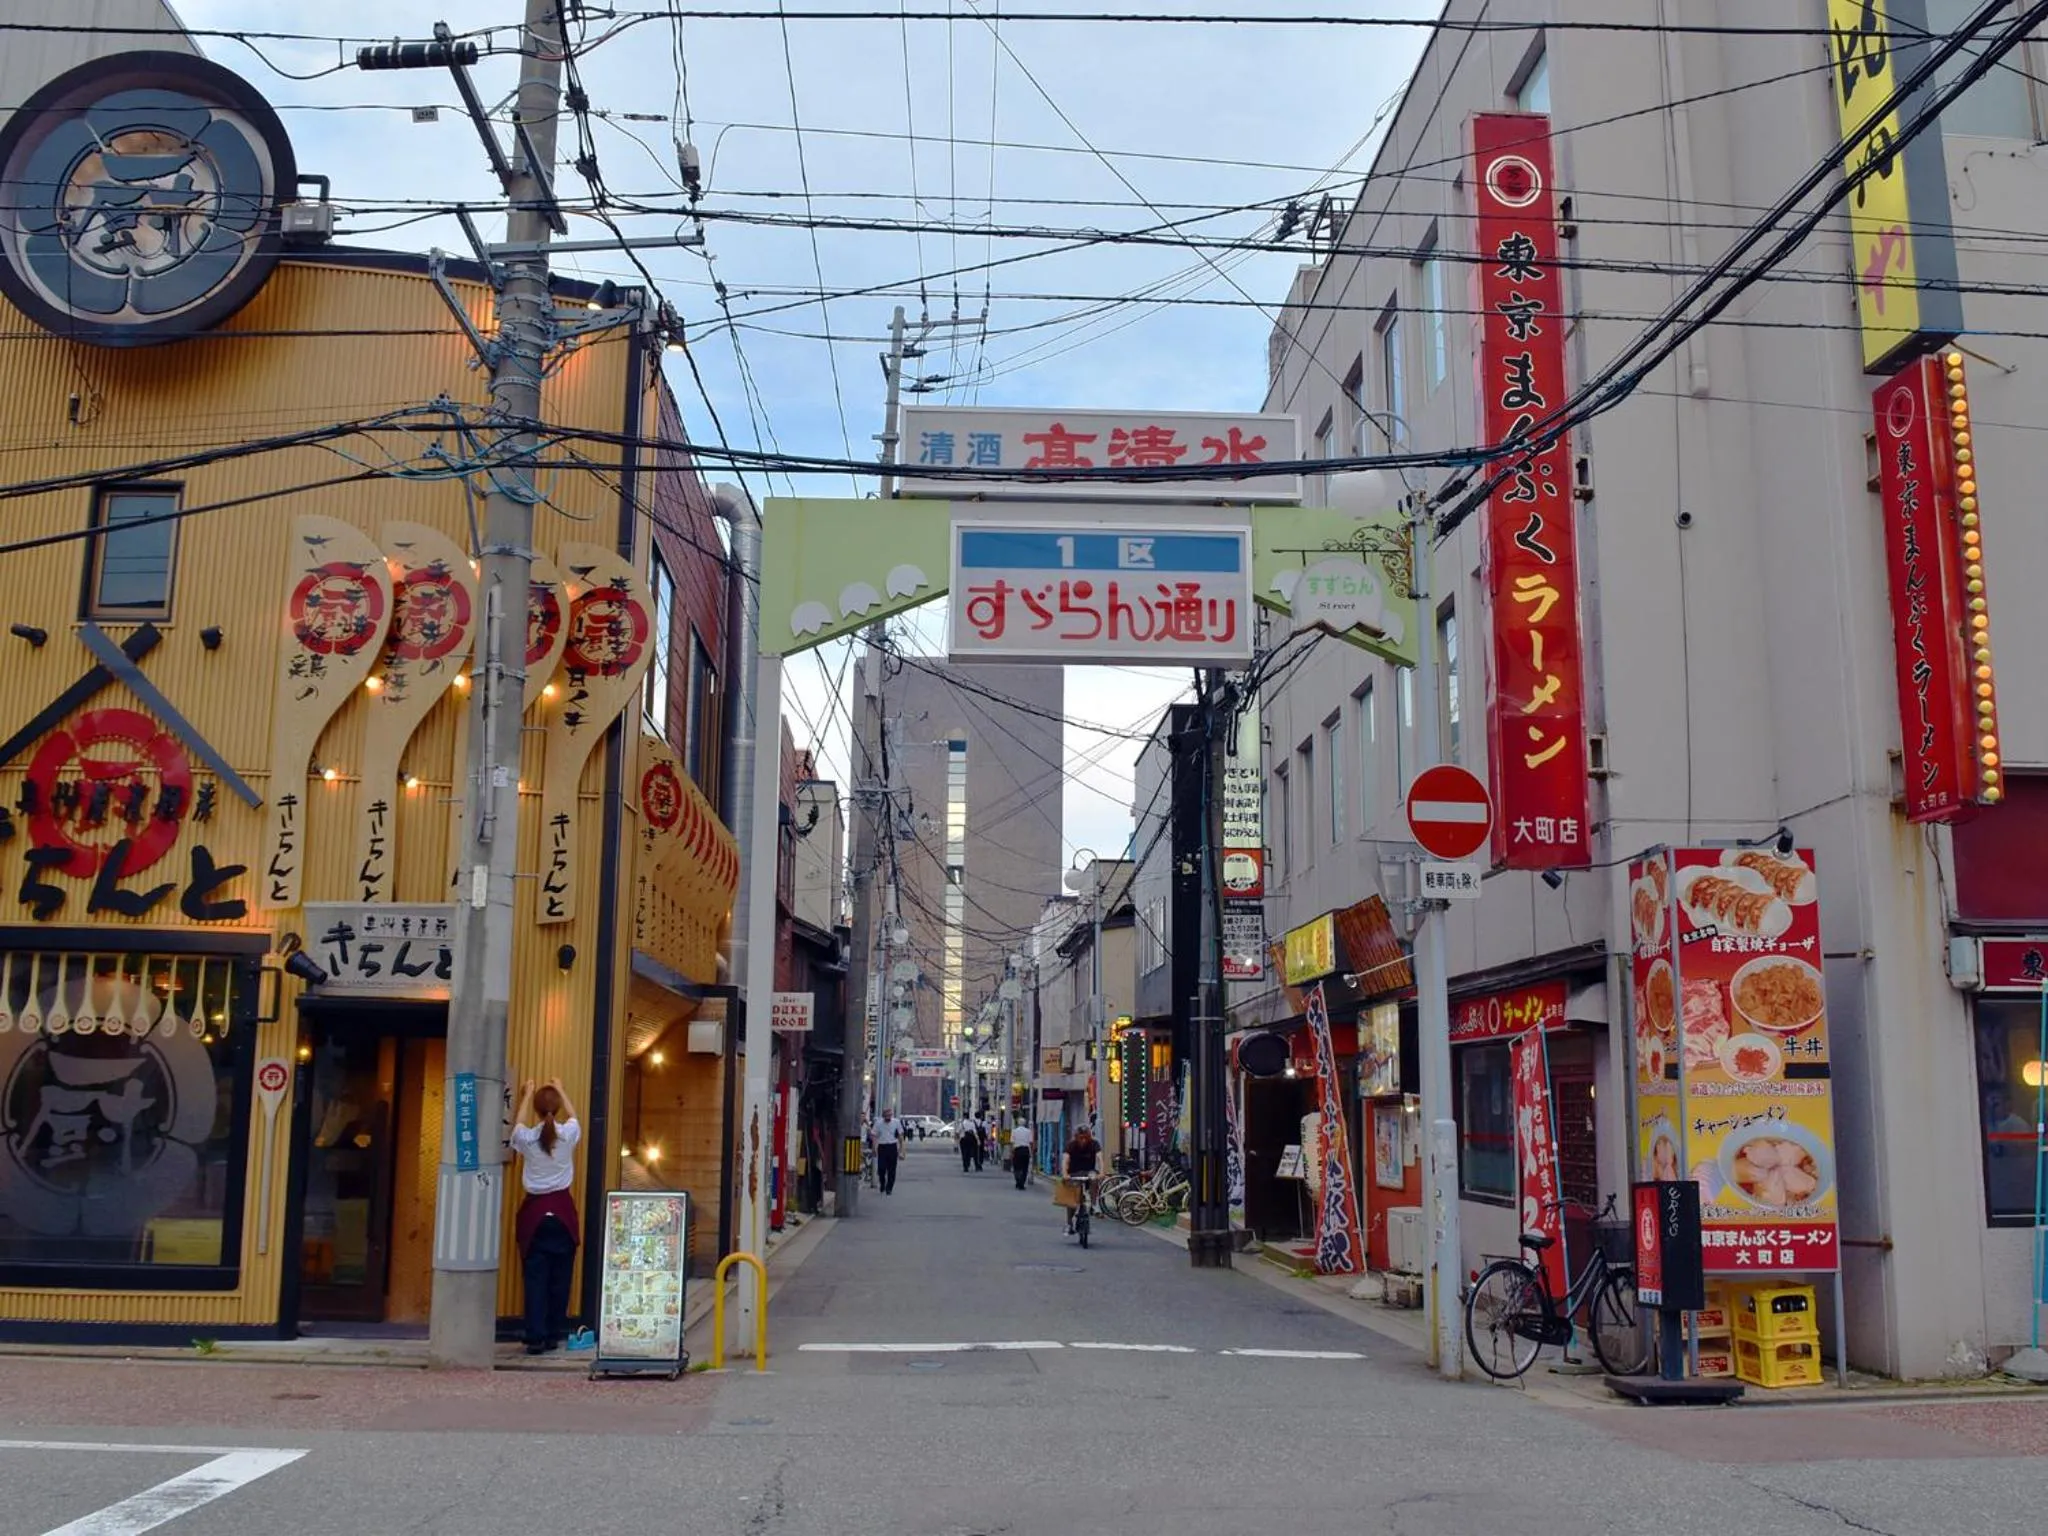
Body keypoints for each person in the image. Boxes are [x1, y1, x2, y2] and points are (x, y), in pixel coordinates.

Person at [510, 1077, 580, 1355]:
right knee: (560, 1279)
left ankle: (535, 1336)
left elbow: (517, 1126)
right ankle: (554, 1334)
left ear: (537, 1111)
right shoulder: (568, 1134)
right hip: (563, 1214)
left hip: (535, 1215)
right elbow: (575, 1116)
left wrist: (526, 1094)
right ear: (558, 1108)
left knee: (535, 1279)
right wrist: (561, 1088)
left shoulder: (527, 1139)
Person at [1062, 1125, 1100, 1236]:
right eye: (1081, 1137)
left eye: (1086, 1138)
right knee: (1072, 1201)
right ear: (1076, 1137)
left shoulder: (1094, 1144)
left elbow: (1100, 1158)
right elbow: (1065, 1160)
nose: (1083, 1140)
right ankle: (1069, 1224)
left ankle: (1094, 1204)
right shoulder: (1071, 1145)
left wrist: (1102, 1171)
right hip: (1074, 1174)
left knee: (1094, 1178)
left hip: (1089, 1173)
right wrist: (1065, 1173)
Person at [872, 1107, 902, 1195]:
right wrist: (874, 1148)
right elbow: (874, 1135)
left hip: (892, 1147)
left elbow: (900, 1136)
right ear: (883, 1115)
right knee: (881, 1168)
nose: (888, 1117)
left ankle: (889, 1188)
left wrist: (901, 1150)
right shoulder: (878, 1123)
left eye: (890, 1115)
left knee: (892, 1169)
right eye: (887, 1115)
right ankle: (882, 1183)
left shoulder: (896, 1122)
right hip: (882, 1147)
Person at [1010, 1118, 1035, 1189]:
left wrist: (1011, 1152)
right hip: (1025, 1150)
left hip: (1017, 1150)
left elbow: (1012, 1143)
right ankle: (1022, 1183)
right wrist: (1031, 1152)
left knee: (1016, 1167)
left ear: (1018, 1123)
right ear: (1025, 1123)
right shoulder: (1028, 1131)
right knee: (1025, 1168)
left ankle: (1018, 1181)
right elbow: (1031, 1142)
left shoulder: (1014, 1131)